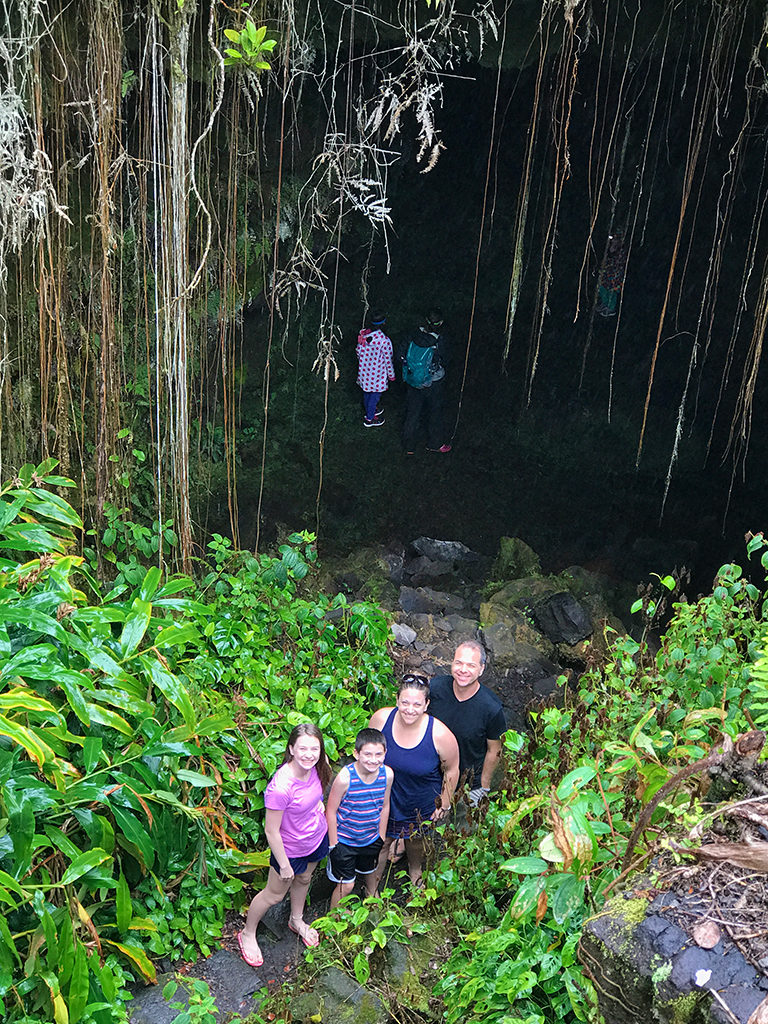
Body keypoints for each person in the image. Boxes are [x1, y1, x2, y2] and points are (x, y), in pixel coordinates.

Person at [237, 723, 331, 968]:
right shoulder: (281, 787)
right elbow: (271, 830)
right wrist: (285, 864)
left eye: (314, 748)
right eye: (303, 748)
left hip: (315, 838)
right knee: (274, 894)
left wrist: (318, 804)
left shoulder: (319, 766)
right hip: (289, 849)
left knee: (305, 879)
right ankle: (247, 933)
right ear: (291, 749)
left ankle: (296, 919)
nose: (309, 754)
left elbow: (317, 792)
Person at [368, 676, 459, 886]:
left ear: (426, 705)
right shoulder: (381, 719)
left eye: (417, 704)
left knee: (416, 841)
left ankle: (415, 869)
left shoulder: (440, 734)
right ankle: (372, 888)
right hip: (385, 797)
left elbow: (452, 769)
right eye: (405, 703)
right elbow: (367, 752)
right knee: (381, 842)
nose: (410, 709)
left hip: (420, 798)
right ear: (397, 700)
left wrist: (445, 803)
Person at [427, 641, 506, 806]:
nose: (463, 670)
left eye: (471, 665)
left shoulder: (491, 708)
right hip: (431, 774)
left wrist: (483, 786)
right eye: (459, 663)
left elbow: (494, 750)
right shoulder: (435, 689)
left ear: (481, 669)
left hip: (468, 782)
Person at [325, 728, 394, 908]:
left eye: (378, 754)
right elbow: (331, 811)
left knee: (370, 871)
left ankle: (371, 897)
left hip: (370, 838)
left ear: (385, 753)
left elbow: (385, 805)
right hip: (345, 840)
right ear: (356, 754)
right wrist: (334, 844)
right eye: (367, 754)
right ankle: (334, 914)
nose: (373, 759)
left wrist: (381, 836)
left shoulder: (387, 774)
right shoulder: (345, 778)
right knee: (346, 885)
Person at [399, 312, 451, 455]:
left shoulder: (412, 334)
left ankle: (409, 446)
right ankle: (435, 443)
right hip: (434, 382)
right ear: (440, 323)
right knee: (435, 412)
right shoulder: (440, 340)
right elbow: (445, 358)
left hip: (413, 380)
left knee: (412, 412)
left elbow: (400, 354)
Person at [356, 312, 395, 427]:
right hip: (378, 375)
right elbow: (388, 360)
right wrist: (391, 375)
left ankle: (370, 409)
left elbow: (358, 352)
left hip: (364, 372)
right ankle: (370, 418)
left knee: (366, 393)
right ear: (384, 323)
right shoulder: (384, 341)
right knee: (375, 396)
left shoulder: (364, 336)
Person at [596, 234, 626, 317]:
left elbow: (617, 261)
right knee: (603, 287)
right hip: (608, 273)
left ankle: (610, 307)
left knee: (612, 290)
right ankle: (605, 303)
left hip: (614, 274)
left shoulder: (621, 250)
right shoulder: (611, 248)